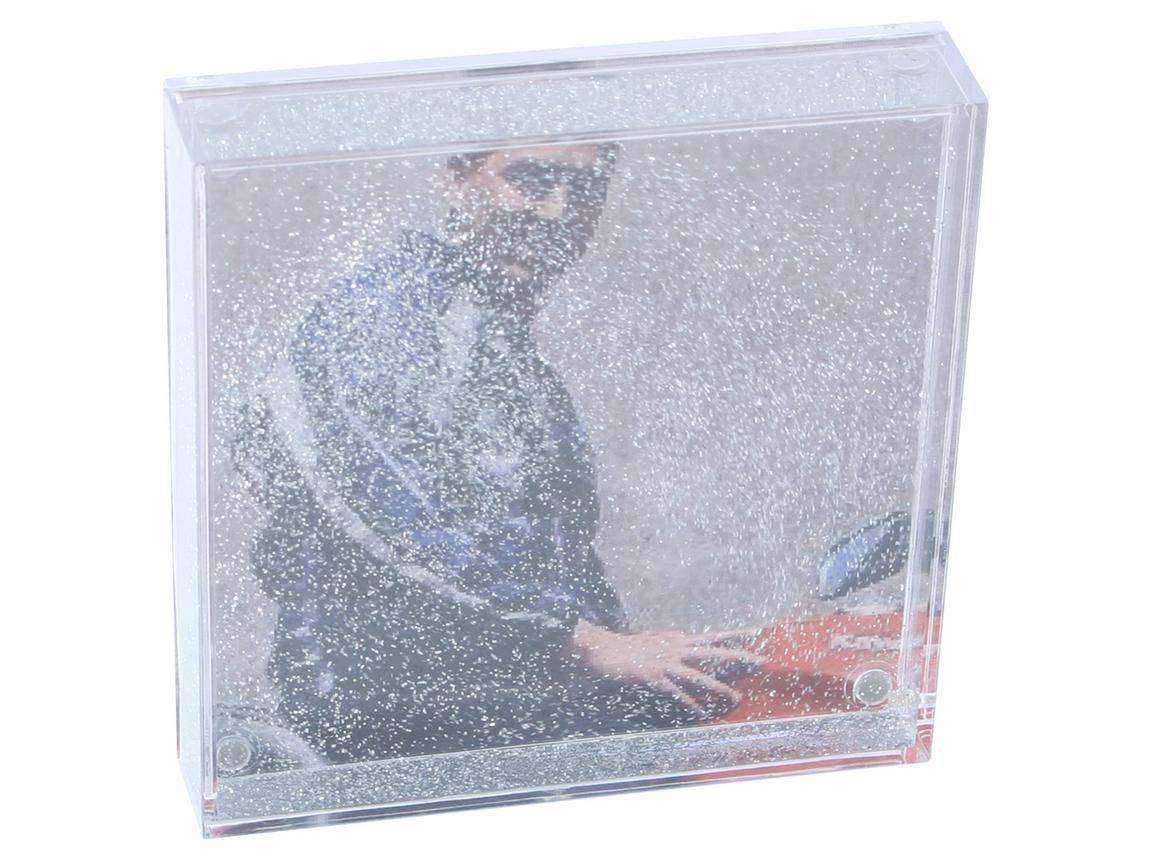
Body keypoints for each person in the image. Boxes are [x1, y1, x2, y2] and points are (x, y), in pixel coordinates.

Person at [232, 142, 760, 764]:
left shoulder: (494, 335)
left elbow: (554, 551)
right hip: (392, 725)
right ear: (458, 176)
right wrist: (589, 644)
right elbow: (387, 525)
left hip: (501, 696)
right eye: (531, 179)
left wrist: (630, 648)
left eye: (585, 189)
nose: (558, 209)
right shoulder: (385, 317)